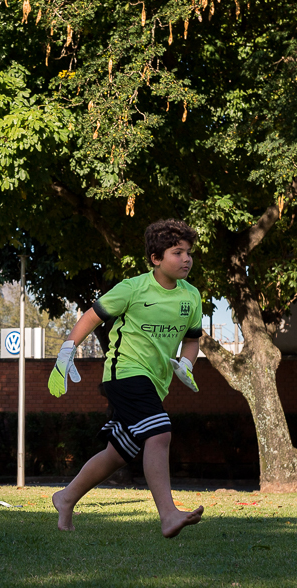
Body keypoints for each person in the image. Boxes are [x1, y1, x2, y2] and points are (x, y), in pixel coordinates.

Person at [48, 218, 204, 537]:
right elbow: (92, 317)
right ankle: (168, 515)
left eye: (188, 252)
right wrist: (67, 350)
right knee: (159, 433)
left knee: (118, 452)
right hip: (124, 373)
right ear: (156, 258)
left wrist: (186, 364)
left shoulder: (191, 296)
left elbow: (192, 339)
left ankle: (66, 498)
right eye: (177, 252)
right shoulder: (133, 288)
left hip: (157, 383)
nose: (186, 259)